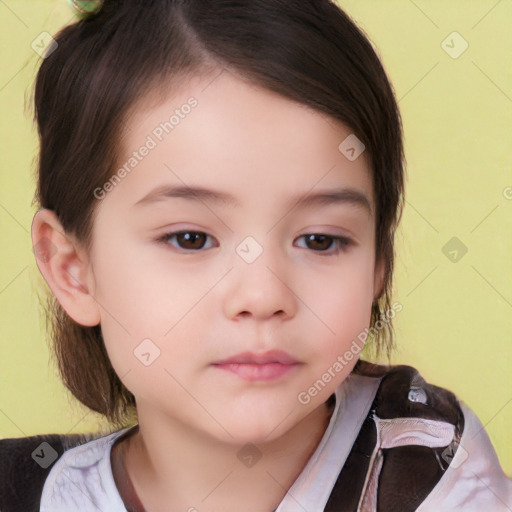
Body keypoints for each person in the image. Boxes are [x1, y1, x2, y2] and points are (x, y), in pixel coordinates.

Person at [1, 1, 511, 511]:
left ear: (378, 261)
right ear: (74, 271)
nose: (263, 295)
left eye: (320, 240)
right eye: (190, 239)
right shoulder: (22, 488)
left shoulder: (434, 477)